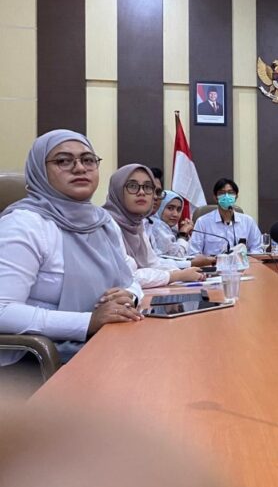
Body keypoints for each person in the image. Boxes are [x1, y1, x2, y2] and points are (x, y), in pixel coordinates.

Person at [0, 130, 144, 366]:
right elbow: (2, 311)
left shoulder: (104, 222)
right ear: (40, 171)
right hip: (39, 363)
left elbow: (131, 278)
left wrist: (131, 296)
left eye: (88, 160)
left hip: (107, 345)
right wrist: (87, 322)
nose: (79, 168)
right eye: (63, 161)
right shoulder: (24, 224)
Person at [103, 165, 205, 288]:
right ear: (118, 191)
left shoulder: (137, 224)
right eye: (133, 186)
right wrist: (176, 276)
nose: (141, 192)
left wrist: (181, 272)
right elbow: (128, 276)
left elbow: (152, 263)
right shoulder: (106, 223)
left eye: (147, 187)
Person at [189, 178, 261, 255]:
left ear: (236, 197)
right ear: (215, 197)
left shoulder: (248, 222)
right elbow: (194, 252)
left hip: (242, 265)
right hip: (212, 265)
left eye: (230, 193)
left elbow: (257, 249)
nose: (226, 196)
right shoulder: (202, 222)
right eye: (222, 193)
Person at [149, 190, 215, 266]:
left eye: (179, 209)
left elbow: (187, 253)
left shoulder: (171, 229)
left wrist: (187, 235)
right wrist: (182, 235)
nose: (175, 214)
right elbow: (177, 256)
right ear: (160, 207)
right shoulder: (156, 226)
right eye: (170, 208)